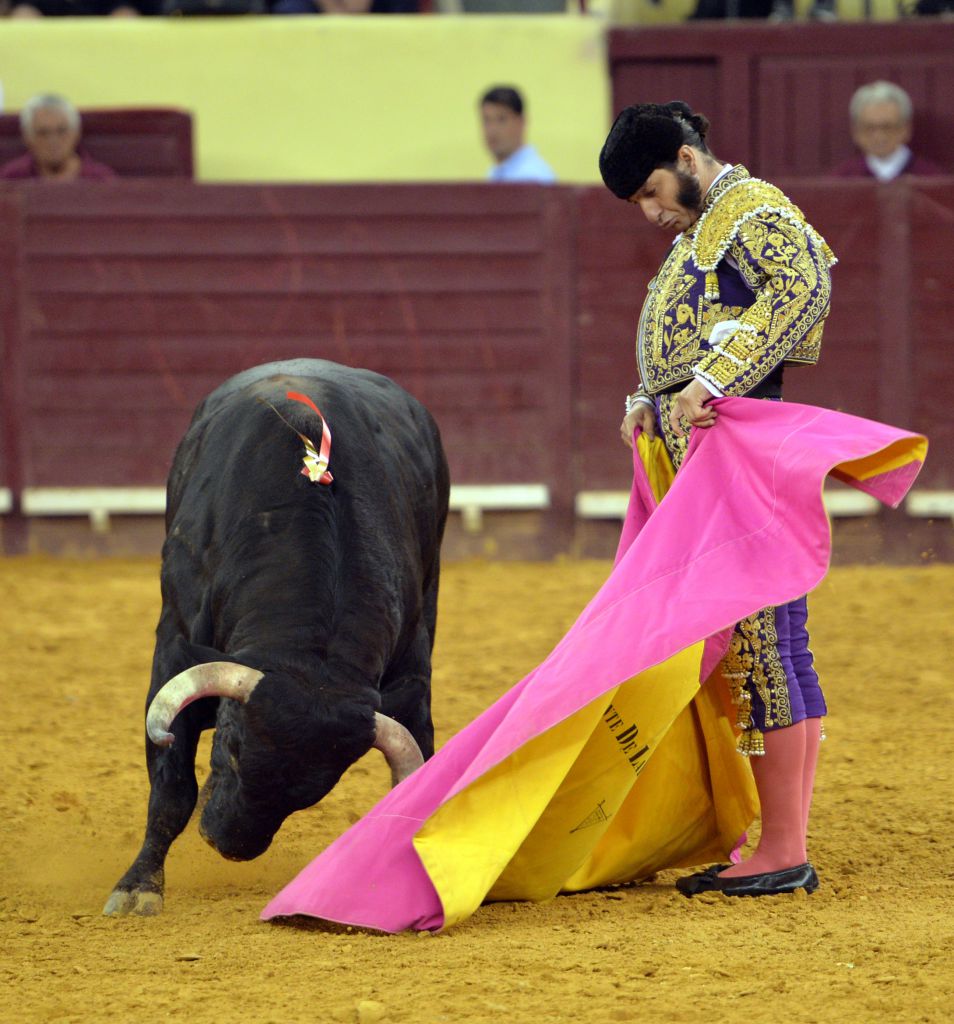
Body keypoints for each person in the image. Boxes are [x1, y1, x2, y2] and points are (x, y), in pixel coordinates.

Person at [599, 100, 837, 898]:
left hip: (742, 450)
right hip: (712, 458)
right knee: (771, 638)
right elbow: (694, 334)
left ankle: (784, 848)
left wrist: (711, 383)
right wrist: (649, 394)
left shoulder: (751, 207)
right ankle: (784, 840)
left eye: (651, 190)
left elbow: (803, 287)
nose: (650, 211)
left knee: (765, 640)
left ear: (686, 156)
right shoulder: (703, 230)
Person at [831, 81, 945, 181]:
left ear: (906, 129)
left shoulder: (931, 179)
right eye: (870, 128)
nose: (879, 136)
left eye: (888, 127)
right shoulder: (841, 180)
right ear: (856, 131)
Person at [0, 95, 117, 182]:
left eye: (61, 131)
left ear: (76, 134)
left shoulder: (100, 179)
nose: (53, 141)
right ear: (28, 138)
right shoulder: (11, 179)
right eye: (43, 133)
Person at [480, 86, 556, 184]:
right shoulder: (494, 173)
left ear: (521, 122)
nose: (492, 129)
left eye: (501, 119)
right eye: (486, 120)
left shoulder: (533, 177)